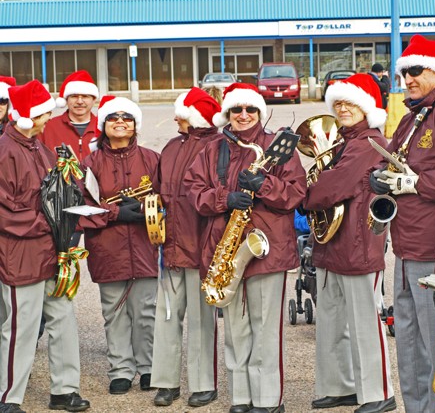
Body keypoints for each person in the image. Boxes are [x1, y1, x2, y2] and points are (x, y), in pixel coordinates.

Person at [369, 34, 435, 413]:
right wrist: (381, 176)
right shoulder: (415, 113)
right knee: (411, 348)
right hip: (406, 247)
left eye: (415, 71)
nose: (408, 79)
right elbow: (395, 161)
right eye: (403, 73)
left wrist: (415, 182)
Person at [183, 83, 306, 413]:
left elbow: (296, 194)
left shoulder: (277, 148)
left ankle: (268, 400)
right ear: (227, 113)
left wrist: (263, 185)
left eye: (250, 109)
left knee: (266, 330)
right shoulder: (212, 150)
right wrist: (224, 199)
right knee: (235, 330)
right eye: (237, 109)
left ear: (260, 112)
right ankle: (241, 397)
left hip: (270, 249)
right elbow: (193, 191)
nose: (243, 115)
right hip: (226, 248)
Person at [306, 73, 395, 413]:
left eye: (350, 103)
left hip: (358, 244)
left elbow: (331, 187)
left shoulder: (369, 143)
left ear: (367, 108)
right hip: (332, 245)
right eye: (338, 103)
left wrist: (306, 194)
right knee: (331, 322)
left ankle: (378, 392)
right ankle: (339, 387)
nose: (342, 109)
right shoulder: (344, 142)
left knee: (364, 325)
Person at [0, 80, 90, 413]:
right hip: (20, 254)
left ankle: (64, 390)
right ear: (24, 116)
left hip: (52, 250)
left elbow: (53, 192)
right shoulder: (5, 151)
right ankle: (8, 397)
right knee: (20, 328)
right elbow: (6, 213)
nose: (46, 120)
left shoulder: (38, 146)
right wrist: (50, 223)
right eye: (42, 115)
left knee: (63, 319)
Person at [78, 96, 159, 396]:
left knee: (146, 311)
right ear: (103, 126)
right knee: (113, 312)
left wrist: (146, 206)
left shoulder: (152, 158)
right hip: (107, 248)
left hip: (144, 246)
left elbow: (167, 199)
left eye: (127, 117)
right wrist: (116, 213)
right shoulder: (90, 163)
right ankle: (121, 369)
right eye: (113, 118)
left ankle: (149, 367)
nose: (120, 122)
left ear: (135, 124)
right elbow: (82, 204)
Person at [150, 88, 222, 408]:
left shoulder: (219, 148)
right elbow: (157, 192)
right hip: (172, 249)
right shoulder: (170, 147)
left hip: (202, 248)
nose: (175, 117)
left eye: (181, 112)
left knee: (202, 320)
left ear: (194, 116)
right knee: (166, 318)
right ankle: (166, 382)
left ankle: (203, 383)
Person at [39, 70, 99, 161]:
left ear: (94, 100)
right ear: (66, 99)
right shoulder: (48, 127)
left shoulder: (103, 128)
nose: (79, 101)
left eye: (85, 96)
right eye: (74, 96)